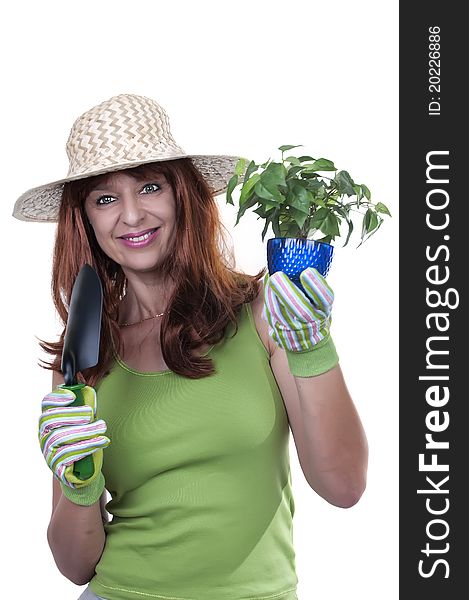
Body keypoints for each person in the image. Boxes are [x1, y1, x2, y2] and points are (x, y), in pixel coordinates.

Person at [13, 94, 368, 600]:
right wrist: (77, 483)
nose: (132, 215)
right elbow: (74, 565)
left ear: (183, 194)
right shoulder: (85, 357)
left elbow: (345, 486)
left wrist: (311, 348)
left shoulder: (268, 313)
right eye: (105, 199)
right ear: (85, 220)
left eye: (150, 186)